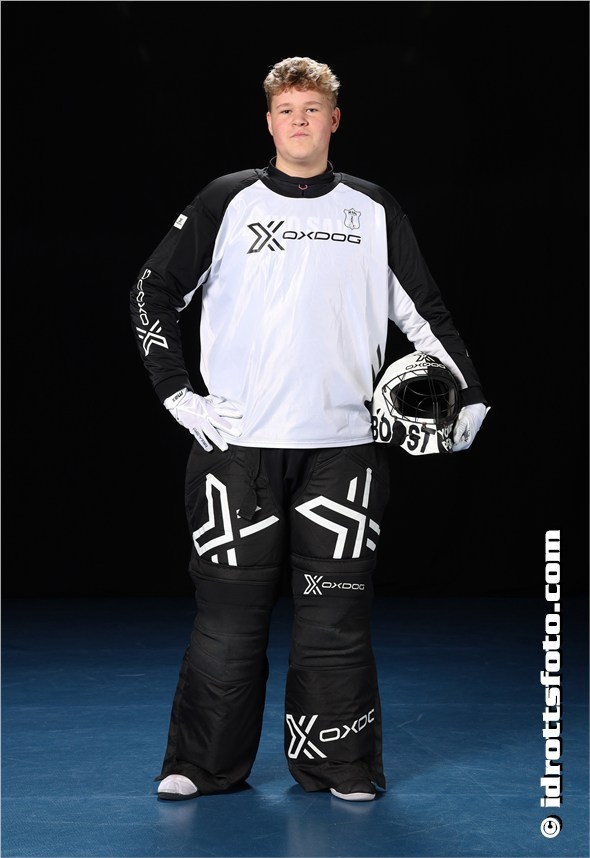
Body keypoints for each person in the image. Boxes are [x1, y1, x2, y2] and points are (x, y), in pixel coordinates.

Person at [129, 56, 489, 803]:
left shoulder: (372, 208)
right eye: (287, 109)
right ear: (269, 122)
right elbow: (151, 290)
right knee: (227, 621)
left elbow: (425, 313)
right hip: (236, 449)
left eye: (312, 108)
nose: (300, 120)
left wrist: (471, 395)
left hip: (345, 451)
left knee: (335, 619)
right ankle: (202, 766)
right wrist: (177, 395)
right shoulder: (226, 200)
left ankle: (340, 765)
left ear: (334, 120)